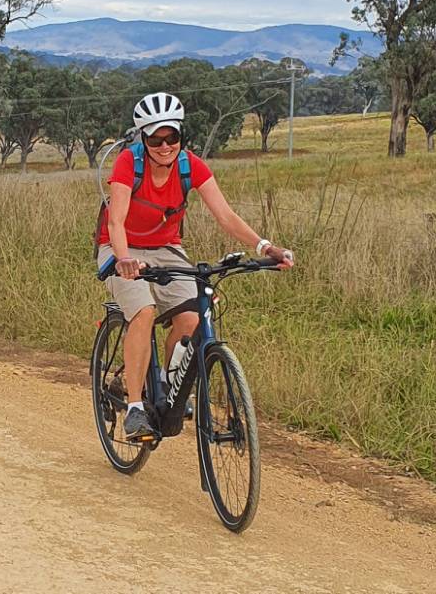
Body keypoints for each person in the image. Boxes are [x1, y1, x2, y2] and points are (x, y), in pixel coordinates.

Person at [96, 91, 293, 440]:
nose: (164, 145)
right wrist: (124, 259)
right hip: (120, 247)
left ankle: (170, 385)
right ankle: (137, 408)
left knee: (192, 317)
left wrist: (265, 246)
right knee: (142, 310)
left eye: (171, 137)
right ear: (143, 138)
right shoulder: (129, 162)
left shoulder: (190, 166)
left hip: (166, 247)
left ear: (180, 137)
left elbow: (226, 216)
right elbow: (117, 220)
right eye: (155, 139)